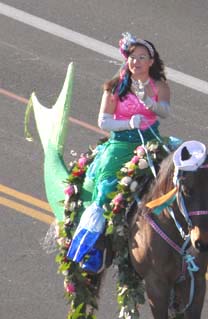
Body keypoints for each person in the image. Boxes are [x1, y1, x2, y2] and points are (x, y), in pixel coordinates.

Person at [66, 32, 172, 273]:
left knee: (186, 175)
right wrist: (128, 124)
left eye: (142, 57)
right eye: (133, 57)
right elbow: (103, 121)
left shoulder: (160, 86)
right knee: (106, 188)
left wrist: (150, 104)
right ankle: (94, 246)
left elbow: (164, 112)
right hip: (122, 144)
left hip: (152, 141)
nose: (137, 62)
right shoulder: (115, 87)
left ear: (151, 61)